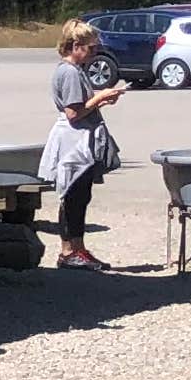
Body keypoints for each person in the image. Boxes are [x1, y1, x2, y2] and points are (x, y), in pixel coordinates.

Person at [38, 18, 126, 269]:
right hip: (73, 142)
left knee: (80, 195)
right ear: (75, 46)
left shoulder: (76, 70)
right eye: (91, 48)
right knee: (73, 196)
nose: (95, 52)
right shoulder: (69, 72)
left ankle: (78, 248)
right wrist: (100, 97)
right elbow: (73, 113)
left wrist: (102, 100)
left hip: (78, 139)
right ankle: (69, 251)